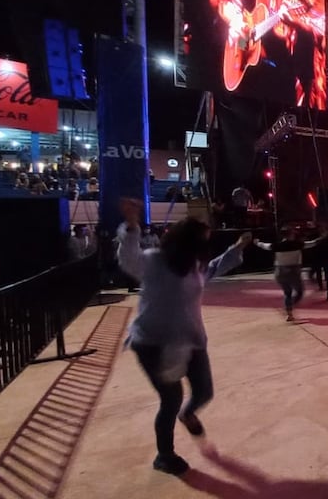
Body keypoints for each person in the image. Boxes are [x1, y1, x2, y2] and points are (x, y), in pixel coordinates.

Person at [117, 198, 252, 475]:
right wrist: (132, 225)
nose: (205, 249)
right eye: (202, 243)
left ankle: (188, 415)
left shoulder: (195, 266)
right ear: (188, 244)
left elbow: (213, 267)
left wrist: (236, 248)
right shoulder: (154, 261)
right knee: (171, 399)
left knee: (204, 391)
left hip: (191, 340)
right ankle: (164, 456)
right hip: (153, 343)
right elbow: (129, 259)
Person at [255, 226, 317, 321]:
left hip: (280, 272)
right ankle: (289, 307)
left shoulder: (276, 246)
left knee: (287, 293)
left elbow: (265, 246)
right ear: (291, 234)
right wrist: (323, 238)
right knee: (299, 292)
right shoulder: (297, 244)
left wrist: (257, 243)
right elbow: (312, 244)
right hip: (293, 271)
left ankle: (289, 314)